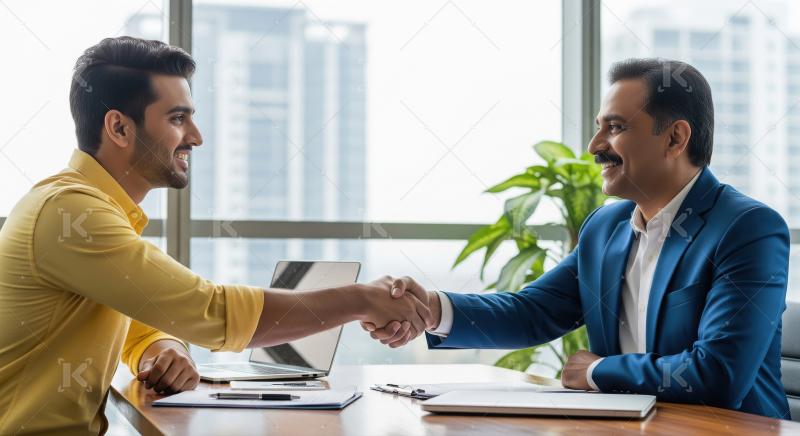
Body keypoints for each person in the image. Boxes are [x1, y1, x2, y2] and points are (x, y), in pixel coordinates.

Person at [0, 36, 432, 435]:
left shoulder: (88, 210)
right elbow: (209, 311)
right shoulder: (71, 212)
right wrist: (359, 299)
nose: (196, 137)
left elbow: (136, 326)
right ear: (119, 128)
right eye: (177, 118)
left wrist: (163, 349)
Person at [365, 58, 791, 419]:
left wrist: (596, 372)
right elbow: (531, 312)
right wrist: (429, 308)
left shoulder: (746, 228)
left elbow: (717, 375)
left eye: (616, 127)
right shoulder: (605, 228)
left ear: (676, 138)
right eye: (598, 127)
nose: (594, 146)